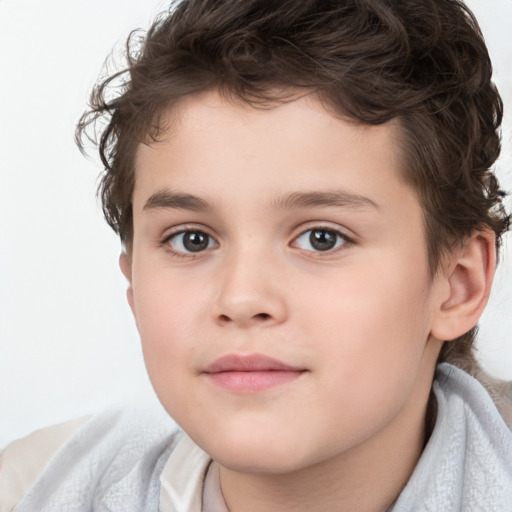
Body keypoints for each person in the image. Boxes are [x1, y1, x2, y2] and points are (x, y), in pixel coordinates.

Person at [1, 0, 511, 510]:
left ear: (458, 284)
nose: (241, 298)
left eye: (321, 238)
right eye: (191, 239)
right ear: (134, 284)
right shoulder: (30, 490)